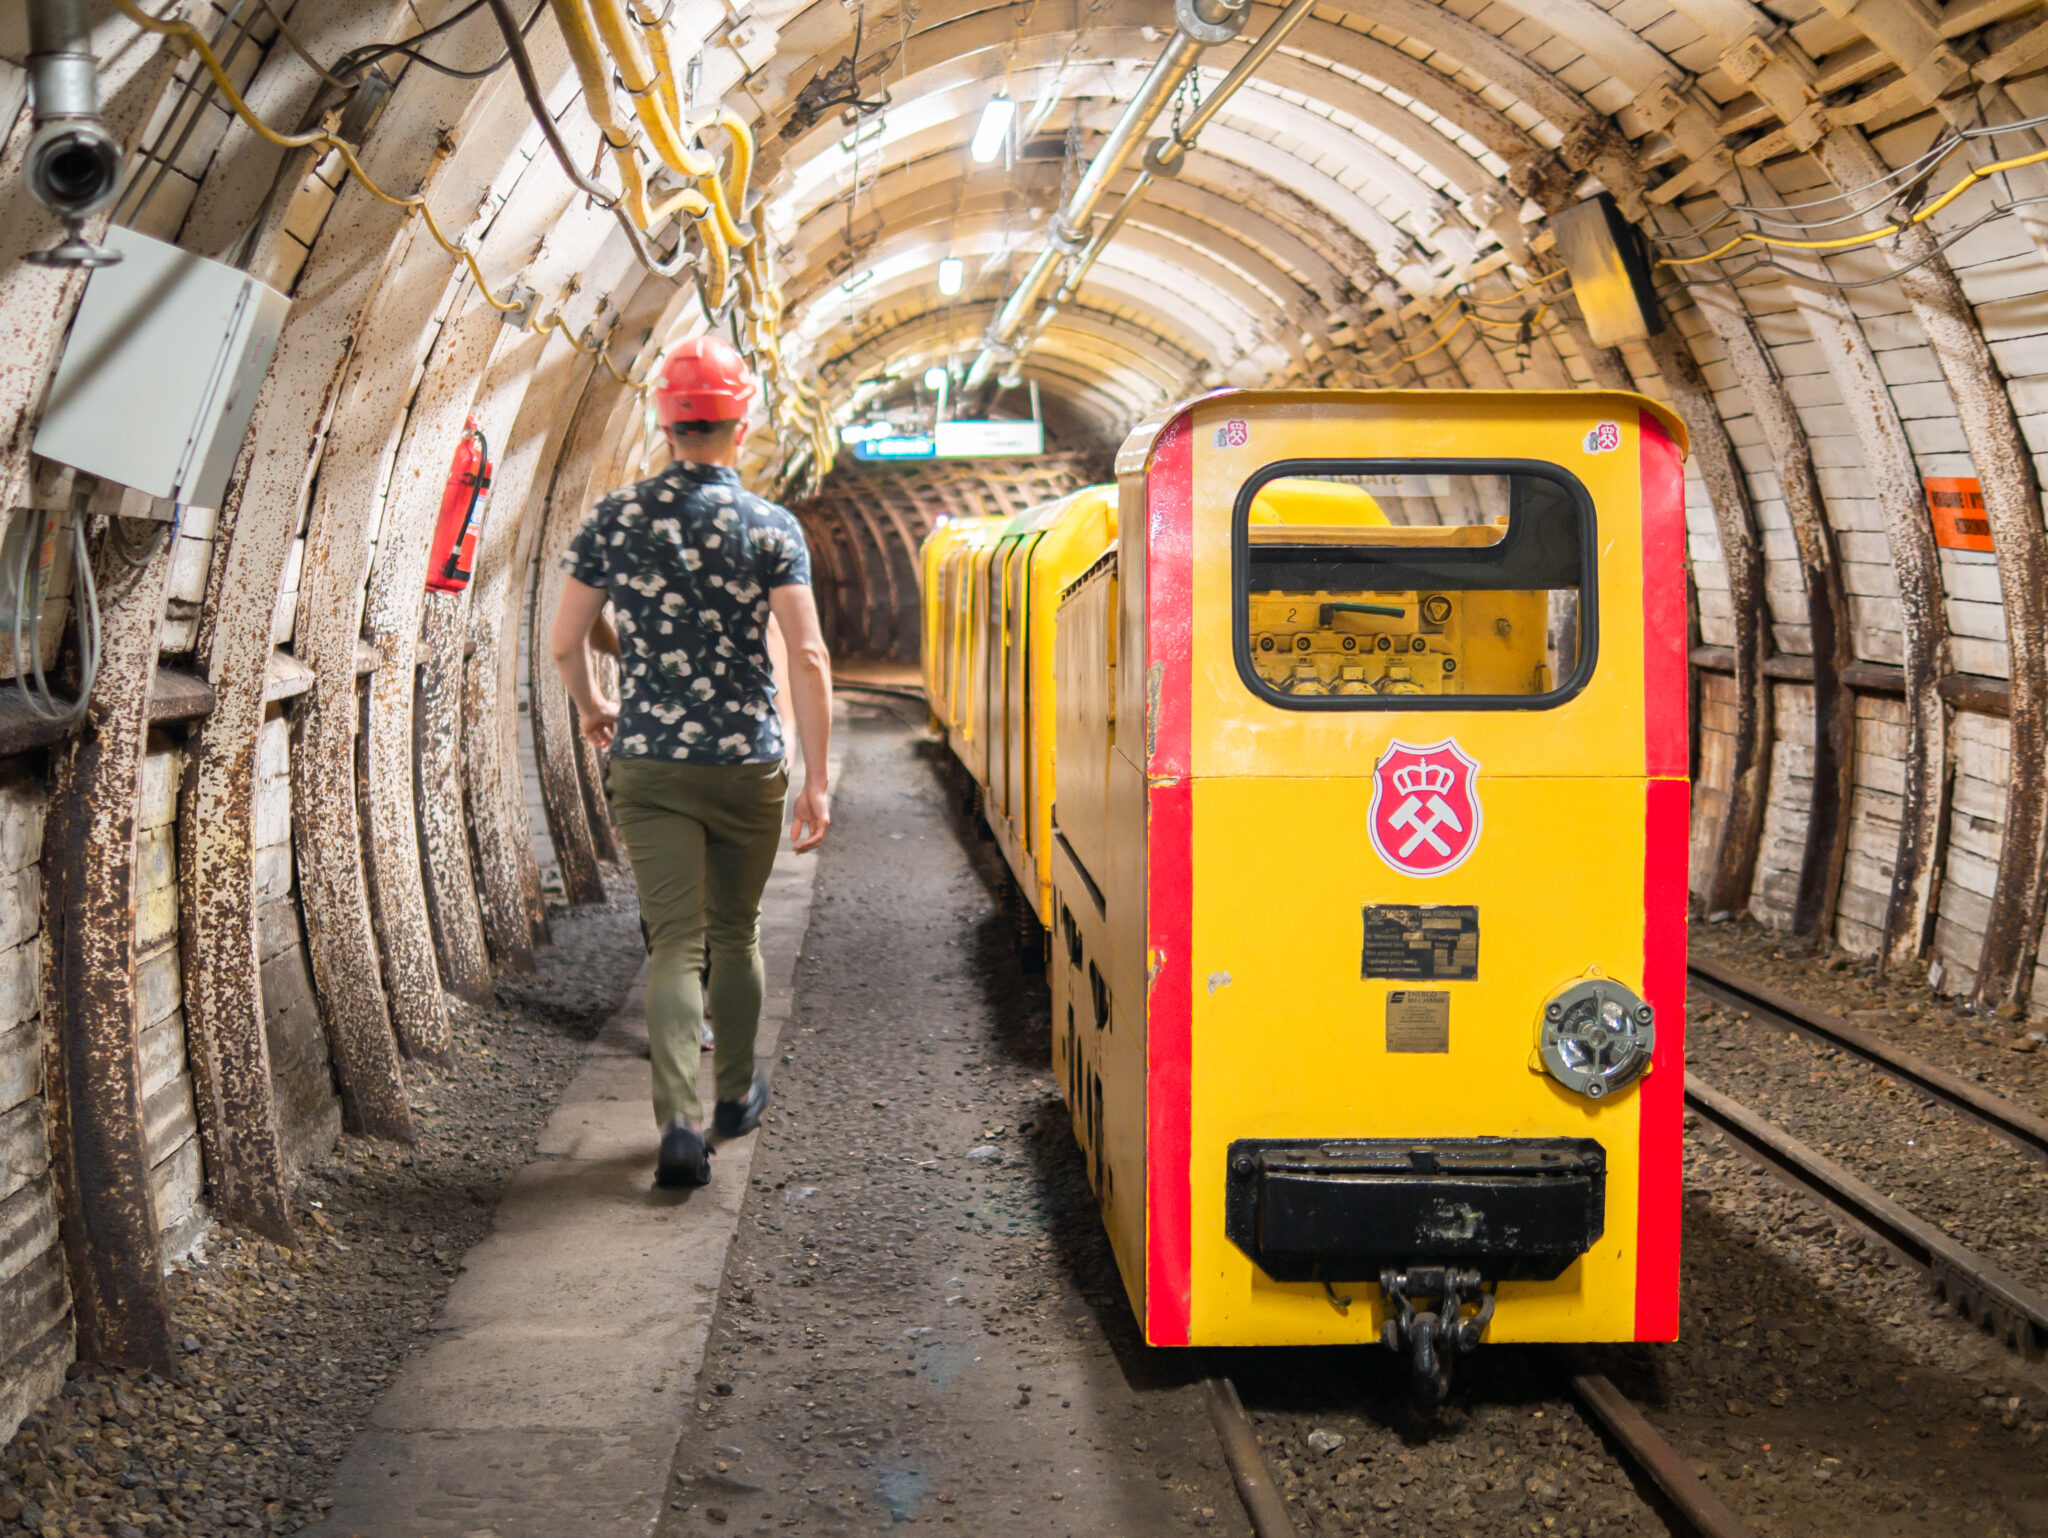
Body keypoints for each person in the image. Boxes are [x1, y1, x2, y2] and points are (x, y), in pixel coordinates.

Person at [550, 335, 832, 1188]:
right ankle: (736, 1098)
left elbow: (568, 640)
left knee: (674, 943)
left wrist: (597, 705)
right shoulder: (770, 527)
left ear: (664, 426)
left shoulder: (615, 519)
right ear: (740, 427)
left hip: (650, 762)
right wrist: (816, 778)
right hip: (746, 760)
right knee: (736, 932)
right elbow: (808, 655)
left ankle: (676, 1123)